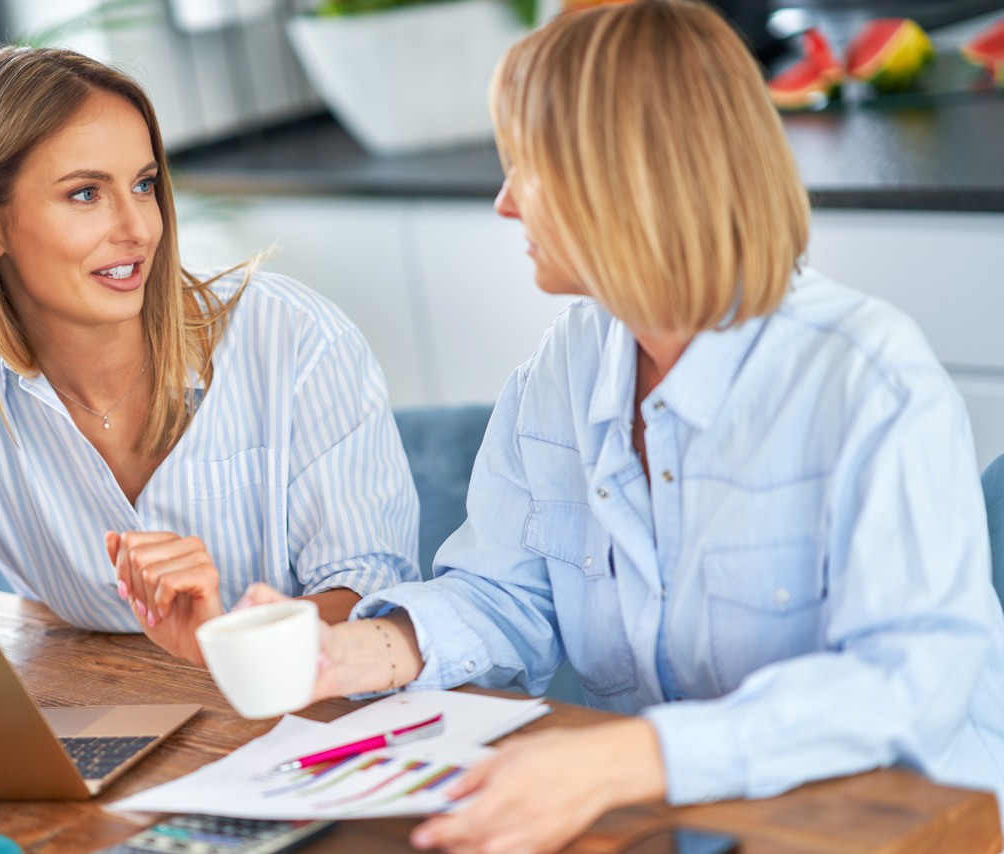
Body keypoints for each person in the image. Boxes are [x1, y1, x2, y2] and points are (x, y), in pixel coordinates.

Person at [239, 2, 1004, 851]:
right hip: (678, 829)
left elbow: (907, 682)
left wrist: (634, 758)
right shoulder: (564, 365)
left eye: (526, 170)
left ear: (622, 181)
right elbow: (504, 593)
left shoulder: (867, 378)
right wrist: (347, 652)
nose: (503, 203)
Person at [0, 46, 420, 663]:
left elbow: (373, 597)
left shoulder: (295, 341)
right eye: (86, 193)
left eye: (144, 185)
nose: (138, 229)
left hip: (312, 712)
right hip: (102, 708)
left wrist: (224, 640)